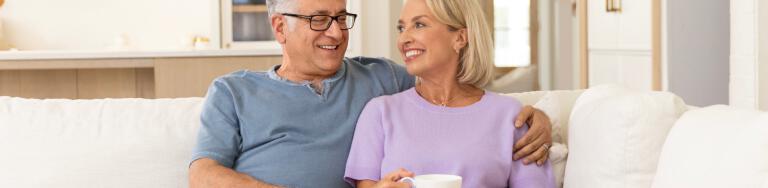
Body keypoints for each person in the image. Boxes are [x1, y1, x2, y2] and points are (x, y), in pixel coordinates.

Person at [188, 0, 553, 187]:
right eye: (318, 19)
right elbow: (203, 174)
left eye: (341, 17)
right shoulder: (234, 91)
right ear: (280, 27)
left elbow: (454, 100)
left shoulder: (380, 79)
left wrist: (538, 115)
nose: (335, 33)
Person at [343, 0, 555, 187]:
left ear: (460, 38)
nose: (403, 39)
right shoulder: (380, 112)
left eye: (419, 24)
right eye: (401, 28)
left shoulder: (512, 116)